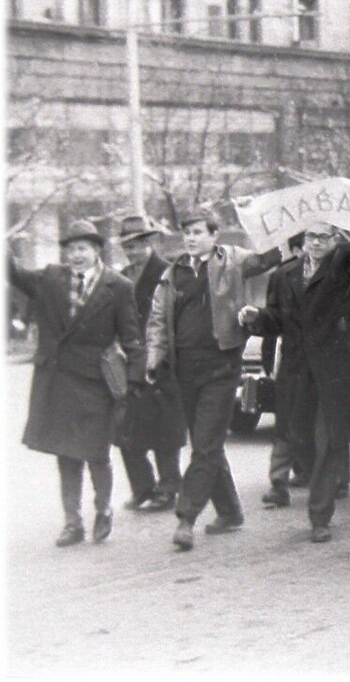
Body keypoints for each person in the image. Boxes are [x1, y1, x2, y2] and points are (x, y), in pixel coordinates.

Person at [146, 207, 282, 551]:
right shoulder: (173, 272)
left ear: (213, 235)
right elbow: (159, 319)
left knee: (204, 444)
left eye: (197, 231)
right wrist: (153, 360)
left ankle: (186, 517)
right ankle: (230, 511)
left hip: (221, 366)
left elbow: (270, 257)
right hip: (185, 368)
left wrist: (271, 222)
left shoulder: (233, 260)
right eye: (186, 232)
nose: (190, 237)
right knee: (206, 442)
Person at [240, 223, 350, 543]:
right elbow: (277, 320)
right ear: (301, 240)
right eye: (311, 237)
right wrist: (256, 317)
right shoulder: (284, 274)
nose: (317, 243)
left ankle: (320, 515)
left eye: (324, 237)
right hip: (297, 373)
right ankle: (320, 499)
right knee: (301, 439)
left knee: (329, 441)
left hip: (336, 371)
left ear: (335, 240)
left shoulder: (347, 263)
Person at [9, 220, 146, 546]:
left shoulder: (119, 286)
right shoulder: (50, 278)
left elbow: (132, 337)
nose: (75, 255)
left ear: (97, 250)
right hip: (58, 380)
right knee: (65, 453)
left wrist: (135, 380)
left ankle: (103, 511)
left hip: (96, 382)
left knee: (96, 452)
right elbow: (14, 274)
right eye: (70, 249)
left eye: (82, 249)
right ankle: (72, 522)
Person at [115, 215, 183, 512]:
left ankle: (168, 489)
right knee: (126, 428)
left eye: (140, 243)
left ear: (150, 242)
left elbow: (174, 318)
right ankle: (142, 488)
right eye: (128, 245)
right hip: (127, 361)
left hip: (161, 360)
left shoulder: (167, 271)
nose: (134, 250)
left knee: (164, 429)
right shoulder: (119, 276)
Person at [257, 232, 312, 509]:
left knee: (320, 421)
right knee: (286, 420)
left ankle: (330, 478)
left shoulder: (334, 274)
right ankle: (278, 481)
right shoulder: (281, 276)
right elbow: (272, 320)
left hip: (322, 363)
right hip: (290, 359)